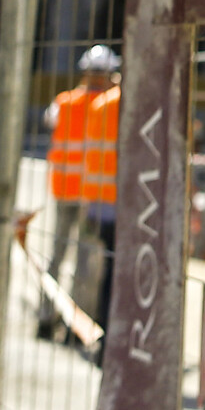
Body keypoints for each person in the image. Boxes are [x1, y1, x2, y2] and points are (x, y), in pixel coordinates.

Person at [39, 45, 117, 338]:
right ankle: (76, 327)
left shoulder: (65, 101)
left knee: (56, 256)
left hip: (63, 190)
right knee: (86, 261)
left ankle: (45, 318)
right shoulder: (110, 103)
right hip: (91, 194)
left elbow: (50, 122)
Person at [79, 60, 122, 350]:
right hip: (124, 204)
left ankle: (96, 333)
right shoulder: (130, 105)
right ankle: (109, 338)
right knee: (116, 273)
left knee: (102, 269)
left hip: (97, 200)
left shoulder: (99, 105)